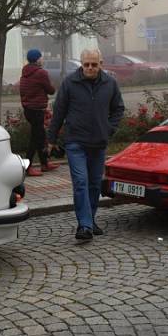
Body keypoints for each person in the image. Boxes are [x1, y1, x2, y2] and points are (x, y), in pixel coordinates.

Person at [47, 49, 124, 241]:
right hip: (76, 142)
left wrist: (109, 129)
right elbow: (59, 112)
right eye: (86, 64)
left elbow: (118, 108)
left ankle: (89, 220)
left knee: (94, 185)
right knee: (81, 183)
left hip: (98, 143)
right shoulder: (70, 83)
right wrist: (51, 139)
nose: (90, 68)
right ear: (81, 64)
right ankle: (85, 226)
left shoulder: (110, 83)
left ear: (101, 63)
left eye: (94, 64)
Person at [19, 49, 58, 176]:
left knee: (40, 136)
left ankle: (44, 164)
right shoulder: (41, 73)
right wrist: (53, 87)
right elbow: (50, 90)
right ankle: (28, 166)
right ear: (37, 59)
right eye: (41, 57)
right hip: (36, 110)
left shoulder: (25, 72)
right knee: (35, 138)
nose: (43, 59)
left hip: (29, 109)